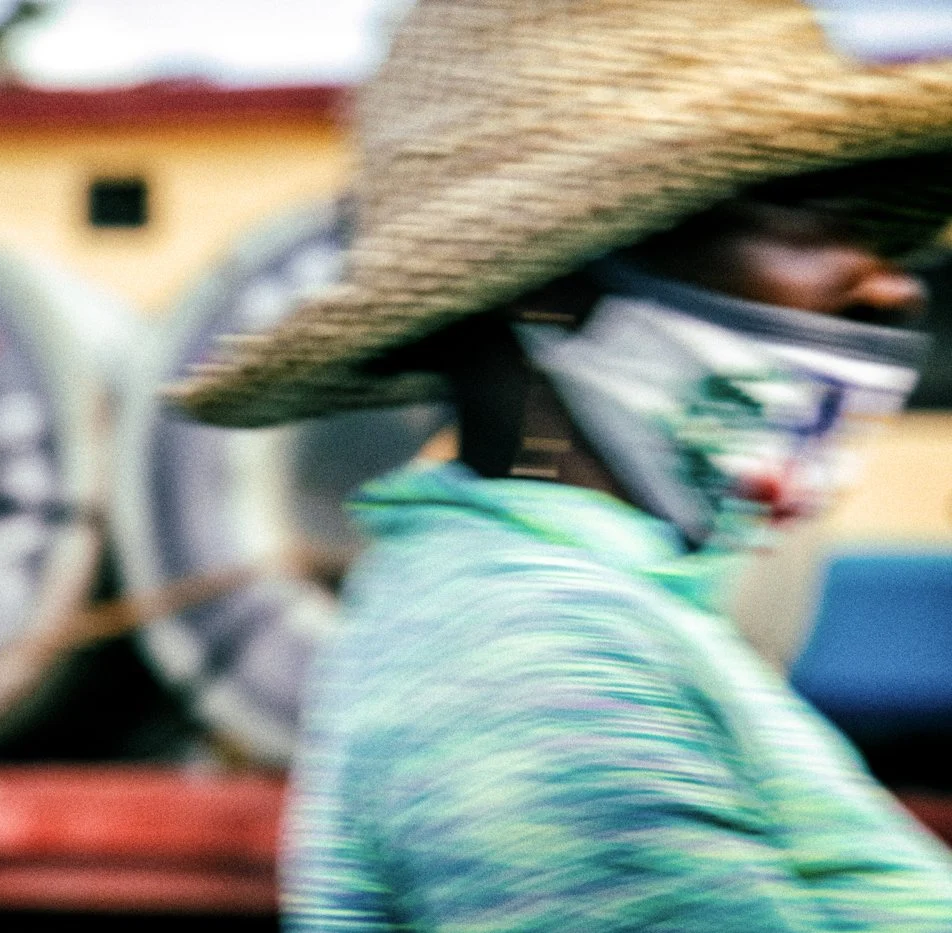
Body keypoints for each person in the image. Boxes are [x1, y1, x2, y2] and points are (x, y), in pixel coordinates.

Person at [170, 0, 952, 929]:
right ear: (549, 285)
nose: (892, 285)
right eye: (800, 207)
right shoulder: (534, 661)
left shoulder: (565, 603)